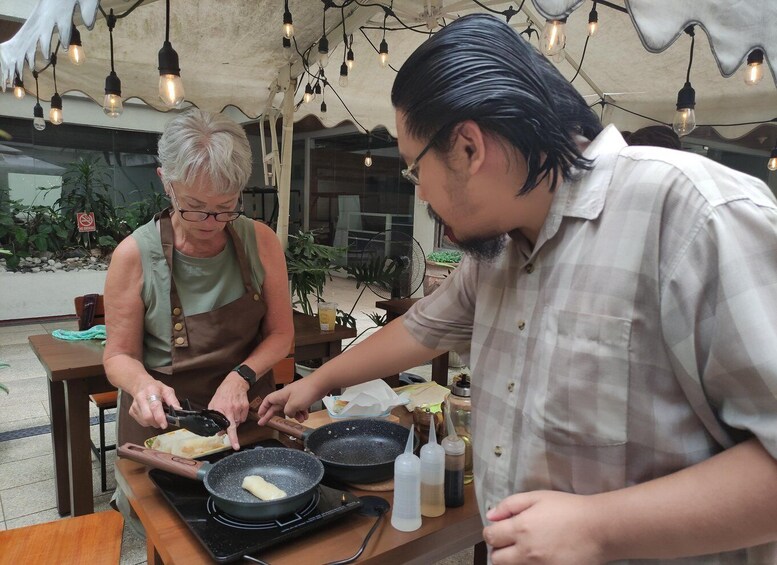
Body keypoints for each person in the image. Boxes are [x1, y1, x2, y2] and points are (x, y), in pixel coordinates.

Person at [258, 14, 777, 564]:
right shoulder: (500, 250)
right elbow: (418, 330)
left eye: (415, 170)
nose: (424, 194)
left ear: (468, 148)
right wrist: (318, 385)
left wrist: (599, 527)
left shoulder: (694, 214)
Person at [104, 109, 293, 452]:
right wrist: (142, 385)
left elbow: (281, 334)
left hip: (246, 415)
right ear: (165, 181)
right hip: (165, 427)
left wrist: (241, 377)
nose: (210, 222)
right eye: (194, 206)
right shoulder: (133, 255)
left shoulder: (261, 242)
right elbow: (118, 355)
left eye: (225, 207)